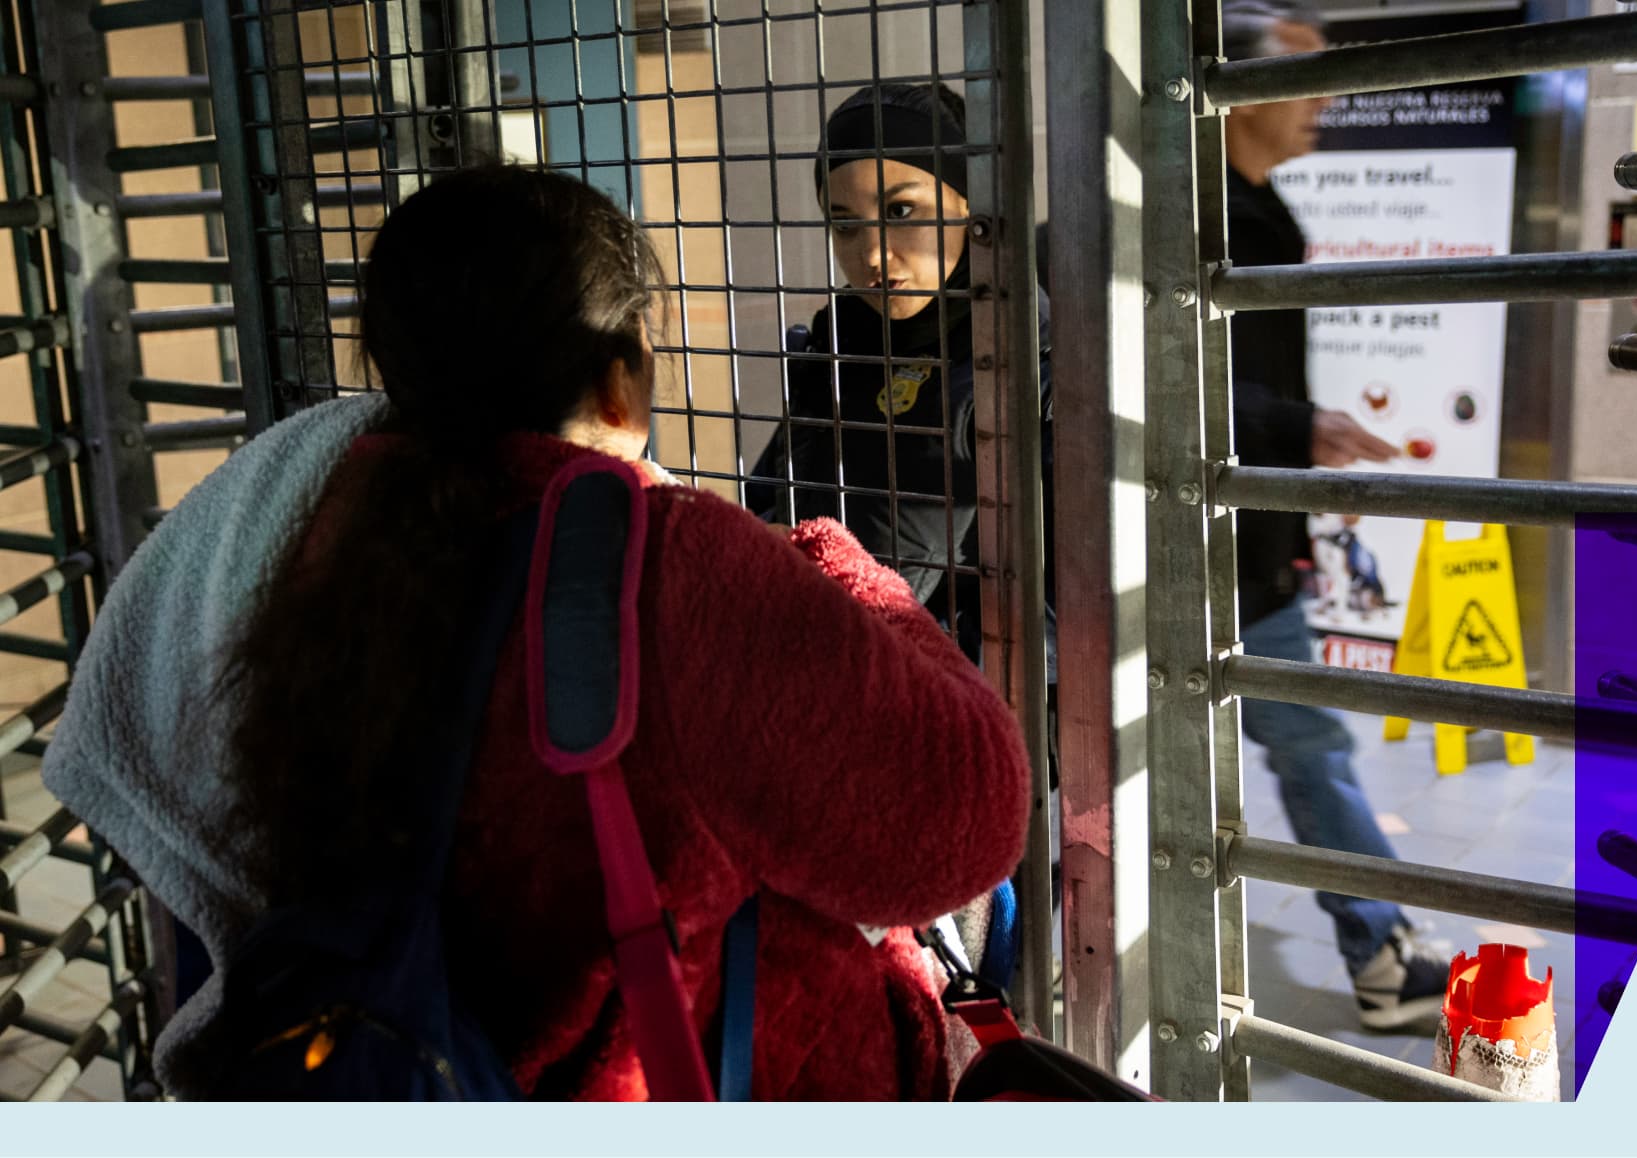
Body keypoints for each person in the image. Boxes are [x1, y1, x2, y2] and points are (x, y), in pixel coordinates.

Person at [42, 166, 1031, 1099]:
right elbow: (968, 823)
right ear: (621, 379)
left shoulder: (326, 521)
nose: (874, 251)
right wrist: (823, 557)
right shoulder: (665, 561)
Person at [1217, 0, 1452, 1030]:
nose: (1327, 102)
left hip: (1256, 537)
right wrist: (1298, 427)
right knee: (1308, 743)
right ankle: (1380, 952)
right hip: (1196, 546)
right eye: (1303, 79)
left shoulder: (1262, 212)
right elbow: (1152, 387)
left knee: (1305, 743)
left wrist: (1300, 495)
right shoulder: (1192, 218)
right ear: (1235, 92)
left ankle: (1379, 945)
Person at [747, 82, 1055, 677]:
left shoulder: (1032, 366)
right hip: (819, 680)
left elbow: (1070, 607)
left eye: (900, 212)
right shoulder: (835, 345)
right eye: (845, 226)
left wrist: (923, 662)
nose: (872, 255)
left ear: (974, 206)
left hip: (953, 711)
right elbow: (772, 498)